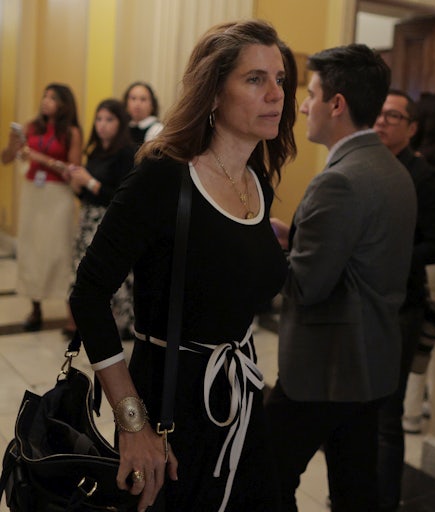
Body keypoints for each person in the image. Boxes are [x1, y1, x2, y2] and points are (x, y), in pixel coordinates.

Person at [69, 19, 297, 512]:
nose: (276, 94)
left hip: (240, 395)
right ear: (213, 92)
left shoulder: (256, 181)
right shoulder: (163, 177)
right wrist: (132, 423)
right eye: (255, 79)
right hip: (170, 405)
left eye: (280, 79)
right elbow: (88, 293)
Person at [265, 44, 417, 512]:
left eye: (311, 95)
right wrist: (296, 237)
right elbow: (359, 257)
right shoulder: (392, 169)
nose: (303, 107)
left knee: (263, 477)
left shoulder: (339, 180)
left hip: (325, 367)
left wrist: (260, 247)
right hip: (370, 361)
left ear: (337, 104)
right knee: (355, 489)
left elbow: (306, 286)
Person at [373, 89, 435, 511]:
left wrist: (392, 253)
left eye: (393, 116)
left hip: (402, 306)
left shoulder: (422, 177)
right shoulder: (369, 165)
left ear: (412, 127)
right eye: (379, 113)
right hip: (367, 302)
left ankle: (385, 502)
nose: (382, 121)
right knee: (359, 410)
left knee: (388, 416)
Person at [1, 83, 82, 331]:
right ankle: (35, 308)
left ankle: (71, 314)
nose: (46, 101)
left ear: (64, 104)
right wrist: (13, 145)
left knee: (59, 252)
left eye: (53, 98)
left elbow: (74, 170)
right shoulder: (31, 127)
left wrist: (41, 159)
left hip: (58, 196)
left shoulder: (71, 132)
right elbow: (6, 159)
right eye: (45, 96)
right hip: (32, 195)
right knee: (31, 249)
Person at [401, 91, 435, 434]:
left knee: (420, 333)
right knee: (426, 338)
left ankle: (410, 411)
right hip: (432, 258)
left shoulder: (422, 169)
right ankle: (419, 407)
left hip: (420, 258)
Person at [67, 98, 136, 338]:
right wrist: (77, 185)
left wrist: (90, 182)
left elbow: (120, 196)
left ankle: (118, 324)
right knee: (83, 271)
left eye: (109, 119)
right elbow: (87, 194)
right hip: (88, 219)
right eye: (99, 119)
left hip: (108, 221)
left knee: (108, 274)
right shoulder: (96, 151)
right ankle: (87, 324)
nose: (102, 125)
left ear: (120, 123)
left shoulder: (127, 152)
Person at [123, 81, 164, 145]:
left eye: (143, 99)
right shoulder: (124, 127)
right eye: (133, 99)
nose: (137, 104)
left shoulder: (157, 129)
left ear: (152, 105)